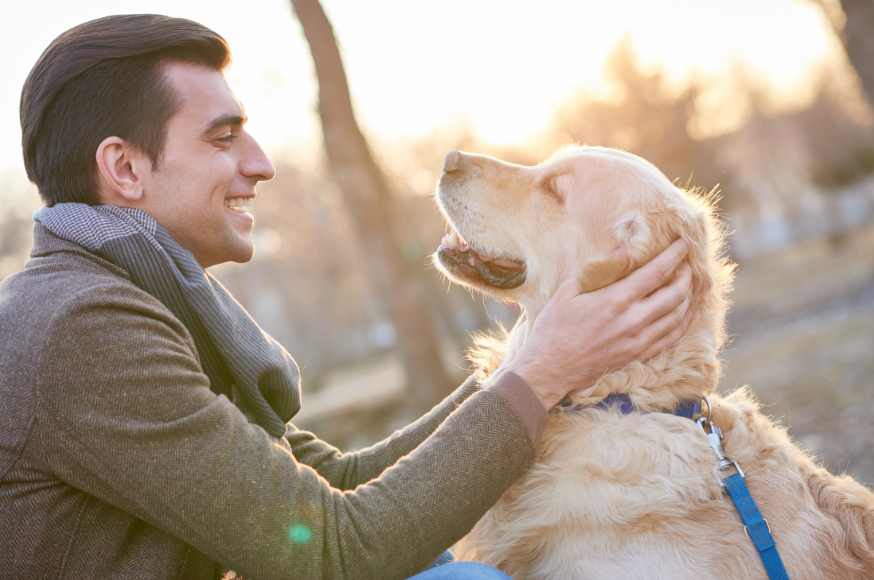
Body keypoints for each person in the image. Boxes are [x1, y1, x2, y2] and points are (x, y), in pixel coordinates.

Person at [0, 14, 694, 580]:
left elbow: (334, 480)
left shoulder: (132, 296)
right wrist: (542, 371)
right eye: (223, 138)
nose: (261, 164)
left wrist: (545, 359)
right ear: (124, 168)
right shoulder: (82, 327)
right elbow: (333, 553)